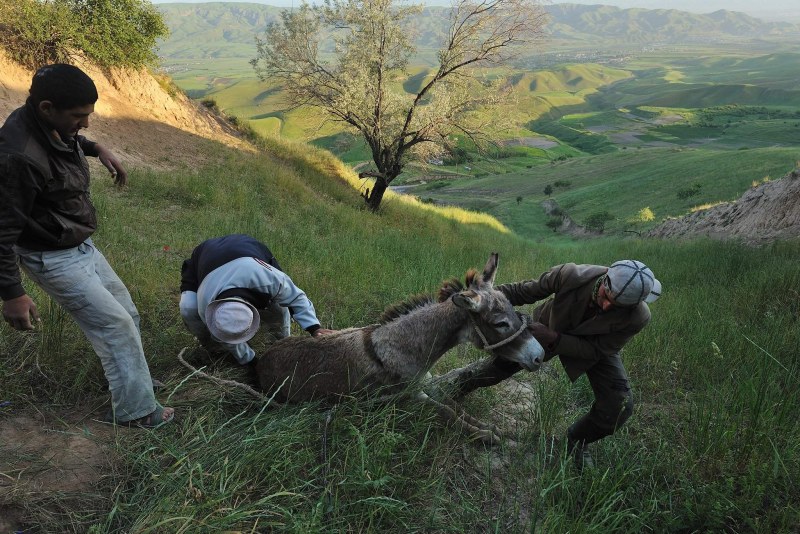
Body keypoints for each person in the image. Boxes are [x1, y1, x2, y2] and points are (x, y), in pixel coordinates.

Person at [0, 64, 174, 428]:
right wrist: (12, 294)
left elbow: (67, 141)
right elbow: (2, 229)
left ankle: (132, 383)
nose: (87, 124)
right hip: (52, 257)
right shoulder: (17, 157)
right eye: (80, 117)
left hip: (79, 245)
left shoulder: (46, 122)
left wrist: (98, 149)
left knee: (127, 312)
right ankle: (137, 411)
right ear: (48, 107)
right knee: (115, 326)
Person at [436, 259, 661, 469]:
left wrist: (554, 339)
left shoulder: (639, 317)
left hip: (594, 348)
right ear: (605, 280)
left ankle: (576, 441)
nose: (606, 307)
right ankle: (454, 389)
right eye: (606, 296)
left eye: (618, 306)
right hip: (546, 326)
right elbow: (524, 291)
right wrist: (483, 300)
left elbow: (597, 350)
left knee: (619, 405)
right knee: (495, 369)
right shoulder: (571, 275)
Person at [179, 234, 335, 366]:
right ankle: (212, 349)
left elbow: (296, 298)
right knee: (187, 309)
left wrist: (314, 328)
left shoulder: (268, 279)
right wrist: (251, 362)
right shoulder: (204, 305)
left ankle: (281, 342)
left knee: (279, 309)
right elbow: (225, 333)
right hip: (205, 255)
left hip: (246, 248)